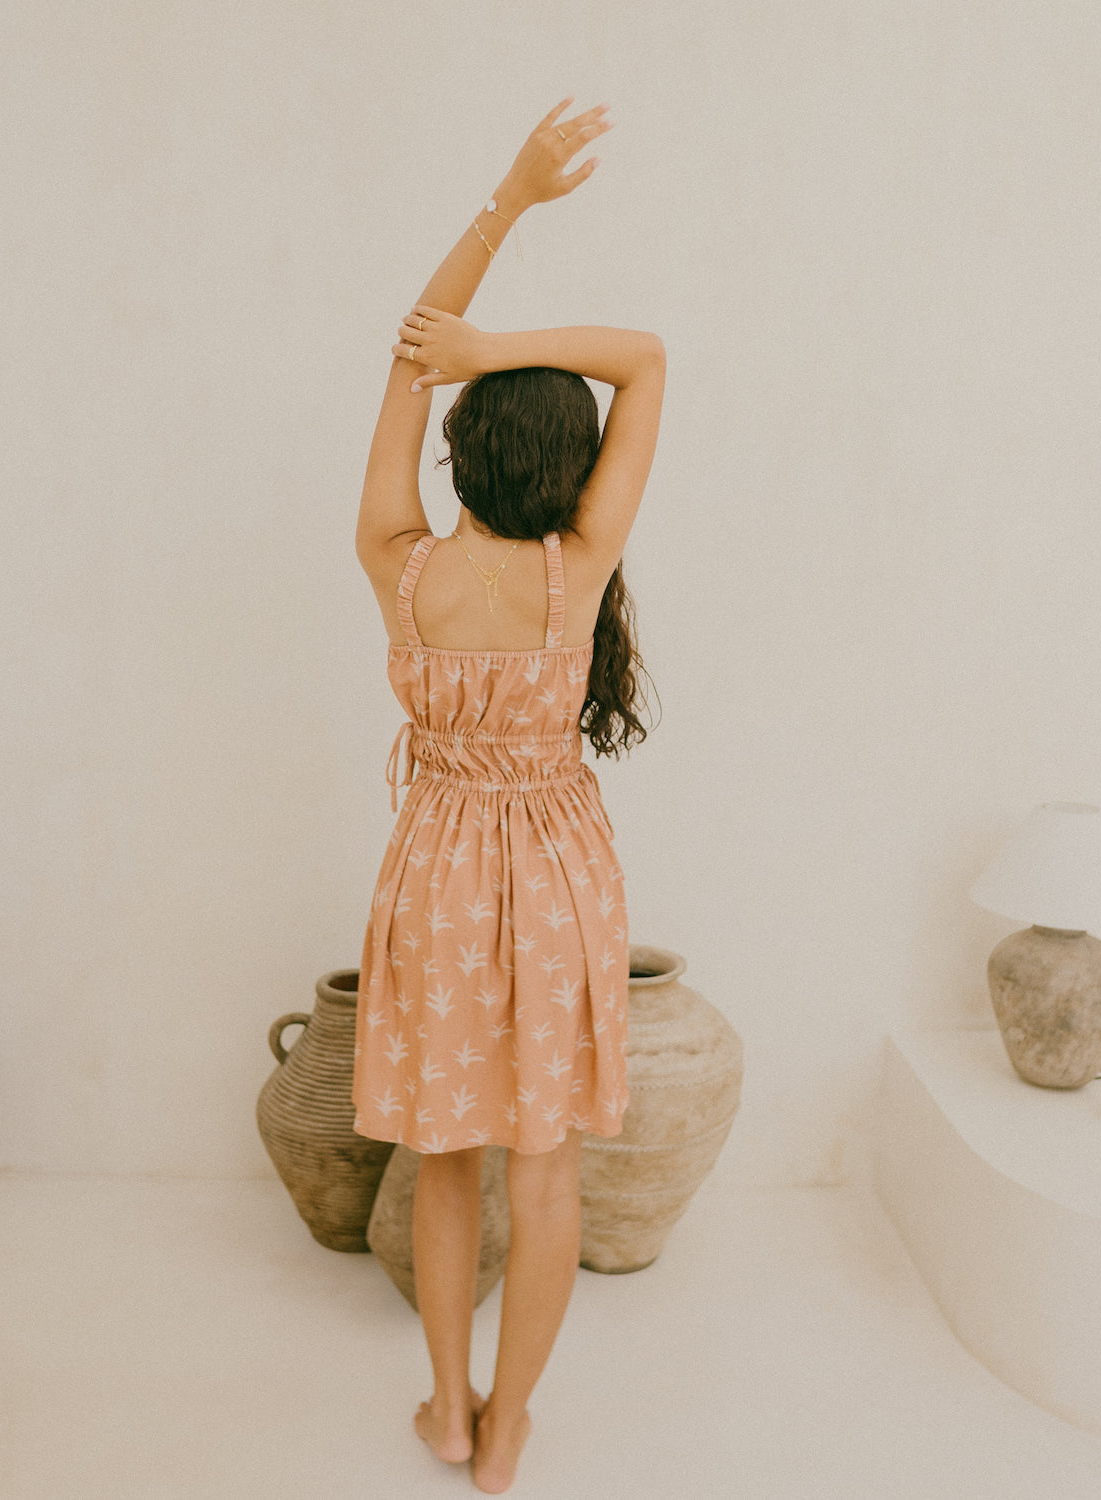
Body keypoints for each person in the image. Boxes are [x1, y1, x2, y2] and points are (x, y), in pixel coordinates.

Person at [351, 97, 666, 1495]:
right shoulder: (576, 571)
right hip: (553, 882)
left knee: (445, 1161)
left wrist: (507, 203)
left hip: (432, 873)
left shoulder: (398, 559)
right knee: (544, 1173)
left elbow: (407, 356)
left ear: (460, 451)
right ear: (574, 469)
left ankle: (445, 1406)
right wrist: (507, 347)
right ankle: (510, 1428)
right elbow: (646, 358)